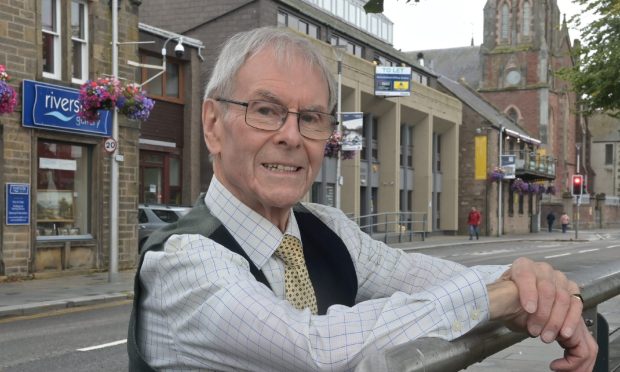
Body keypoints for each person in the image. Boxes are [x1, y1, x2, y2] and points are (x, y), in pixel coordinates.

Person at [127, 27, 597, 372]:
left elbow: (429, 278)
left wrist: (543, 290)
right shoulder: (183, 263)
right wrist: (501, 296)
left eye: (310, 118)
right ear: (213, 124)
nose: (291, 136)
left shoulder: (327, 227)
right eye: (265, 111)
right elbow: (316, 350)